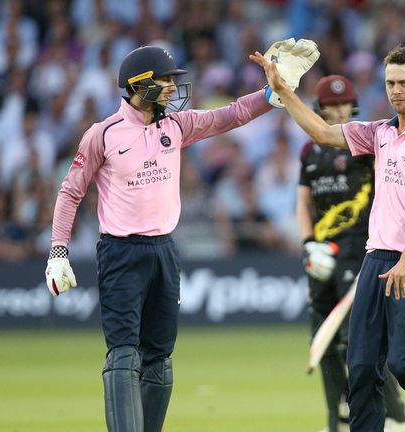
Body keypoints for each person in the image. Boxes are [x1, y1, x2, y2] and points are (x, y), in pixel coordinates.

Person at [44, 41, 318, 432]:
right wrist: (58, 251)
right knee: (124, 355)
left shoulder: (176, 125)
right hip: (120, 252)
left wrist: (273, 92)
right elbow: (70, 191)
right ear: (139, 84)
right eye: (166, 80)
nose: (173, 88)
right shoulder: (102, 134)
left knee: (159, 359)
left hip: (164, 251)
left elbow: (232, 115)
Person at [252, 45, 405, 432]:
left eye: (403, 83)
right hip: (375, 260)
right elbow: (321, 132)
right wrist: (283, 91)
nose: (396, 90)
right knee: (361, 367)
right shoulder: (379, 132)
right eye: (390, 83)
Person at [297, 74, 405, 432]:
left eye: (343, 103)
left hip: (361, 250)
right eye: (330, 105)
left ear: (354, 105)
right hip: (321, 253)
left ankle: (394, 414)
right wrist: (308, 243)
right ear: (319, 108)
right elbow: (303, 202)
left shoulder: (366, 145)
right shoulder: (310, 151)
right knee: (324, 340)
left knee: (355, 337)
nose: (338, 110)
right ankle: (336, 423)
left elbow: (389, 192)